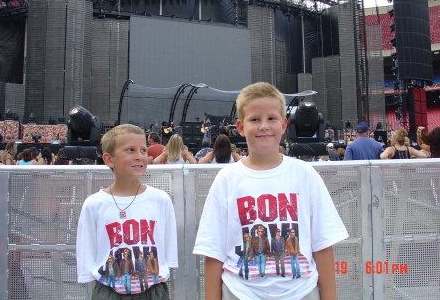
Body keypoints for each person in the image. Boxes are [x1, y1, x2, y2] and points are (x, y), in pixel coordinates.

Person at [193, 82, 348, 300]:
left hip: (301, 292)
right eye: (255, 119)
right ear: (240, 126)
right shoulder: (227, 179)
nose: (264, 126)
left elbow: (322, 246)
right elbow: (213, 252)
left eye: (271, 119)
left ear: (284, 124)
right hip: (240, 293)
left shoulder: (305, 174)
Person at [77, 124, 178, 298]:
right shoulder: (94, 204)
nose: (139, 156)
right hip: (109, 291)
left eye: (143, 150)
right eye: (130, 150)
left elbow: (166, 253)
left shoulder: (160, 200)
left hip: (152, 290)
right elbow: (90, 253)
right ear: (109, 159)